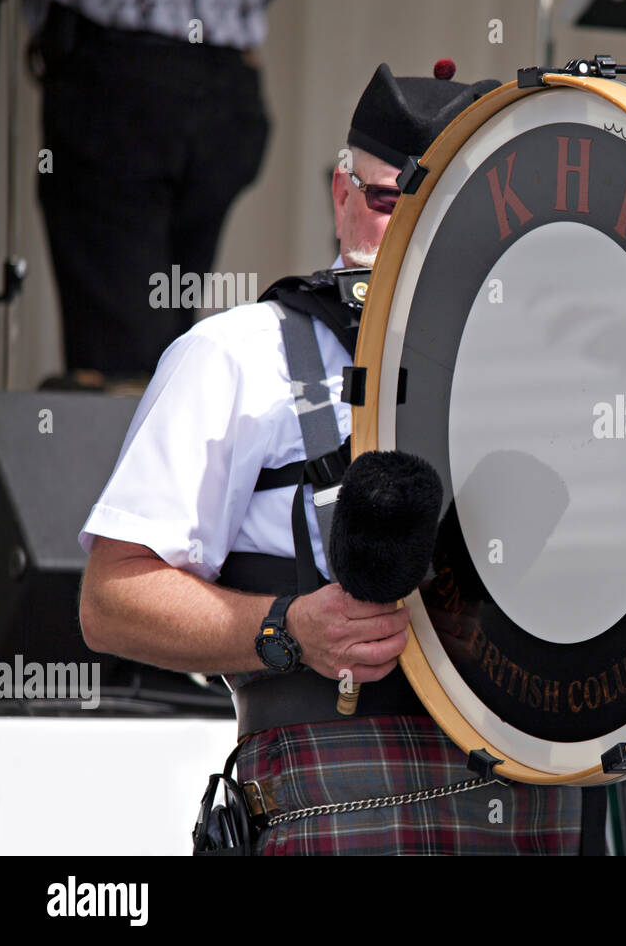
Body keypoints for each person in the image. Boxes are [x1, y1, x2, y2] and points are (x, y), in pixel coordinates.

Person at [78, 62, 587, 854]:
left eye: (447, 209)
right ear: (343, 193)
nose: (417, 230)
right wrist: (286, 627)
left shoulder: (549, 364)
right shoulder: (236, 354)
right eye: (393, 202)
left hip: (537, 785)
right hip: (333, 780)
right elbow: (111, 600)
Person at [27, 0, 278, 389]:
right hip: (229, 78)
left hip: (121, 72)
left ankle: (129, 418)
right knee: (165, 342)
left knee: (122, 367)